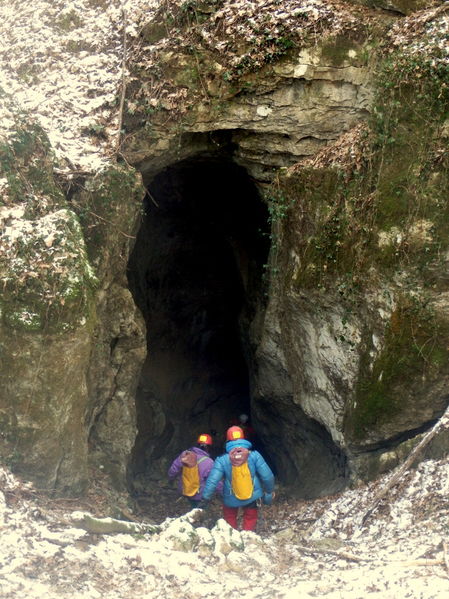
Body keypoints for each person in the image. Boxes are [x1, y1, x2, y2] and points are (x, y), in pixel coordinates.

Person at [200, 425, 275, 531]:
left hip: (230, 496)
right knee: (250, 517)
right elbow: (267, 476)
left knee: (230, 517)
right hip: (252, 495)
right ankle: (247, 536)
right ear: (243, 437)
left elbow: (213, 480)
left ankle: (233, 538)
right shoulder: (254, 455)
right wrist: (269, 491)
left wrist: (205, 498)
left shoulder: (222, 460)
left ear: (227, 439)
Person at [168, 433, 216, 509]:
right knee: (199, 512)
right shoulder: (209, 462)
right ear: (209, 447)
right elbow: (214, 480)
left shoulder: (185, 454)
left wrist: (170, 479)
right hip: (199, 494)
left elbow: (174, 469)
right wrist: (222, 492)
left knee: (189, 509)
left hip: (184, 489)